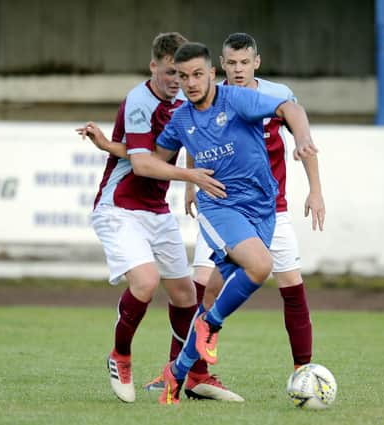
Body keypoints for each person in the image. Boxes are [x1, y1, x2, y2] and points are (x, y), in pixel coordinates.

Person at [123, 41, 320, 405]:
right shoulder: (181, 118)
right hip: (221, 207)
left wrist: (303, 140)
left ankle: (177, 373)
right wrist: (116, 148)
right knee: (260, 266)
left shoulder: (235, 100)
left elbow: (290, 108)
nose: (191, 82)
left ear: (212, 73)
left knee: (214, 288)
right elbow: (152, 160)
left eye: (198, 74)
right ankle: (210, 326)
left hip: (262, 207)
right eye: (183, 77)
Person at [76, 32, 242, 403]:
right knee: (147, 282)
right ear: (153, 67)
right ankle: (120, 356)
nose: (175, 81)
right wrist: (191, 177)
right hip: (119, 207)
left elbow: (183, 144)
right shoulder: (139, 101)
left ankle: (193, 374)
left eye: (181, 75)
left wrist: (191, 180)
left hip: (156, 210)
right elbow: (143, 163)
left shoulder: (186, 98)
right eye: (169, 73)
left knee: (186, 297)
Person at [183, 33, 324, 373]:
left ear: (256, 63)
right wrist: (190, 183)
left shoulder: (277, 97)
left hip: (270, 210)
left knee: (292, 285)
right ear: (222, 65)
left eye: (245, 62)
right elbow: (193, 135)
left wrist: (315, 189)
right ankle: (189, 372)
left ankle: (302, 371)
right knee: (203, 284)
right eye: (231, 63)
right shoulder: (211, 98)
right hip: (224, 210)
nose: (238, 69)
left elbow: (303, 138)